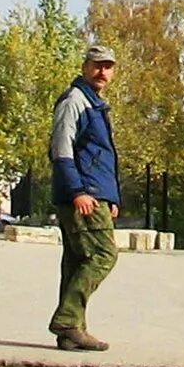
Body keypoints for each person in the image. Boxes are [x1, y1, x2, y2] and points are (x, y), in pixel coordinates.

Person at [46, 43, 122, 351]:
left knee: (78, 261)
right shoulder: (75, 101)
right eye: (96, 65)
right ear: (85, 67)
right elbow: (61, 150)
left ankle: (72, 332)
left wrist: (111, 196)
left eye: (108, 66)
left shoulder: (96, 104)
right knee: (104, 255)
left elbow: (100, 155)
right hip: (82, 195)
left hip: (94, 192)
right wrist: (78, 191)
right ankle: (67, 320)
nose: (102, 71)